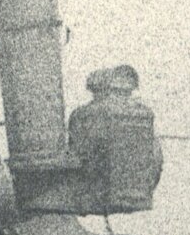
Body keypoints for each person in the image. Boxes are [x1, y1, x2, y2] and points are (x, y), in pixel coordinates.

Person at [67, 63, 163, 213]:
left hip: (97, 190)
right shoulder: (141, 113)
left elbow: (81, 153)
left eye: (125, 92)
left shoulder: (82, 115)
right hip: (117, 192)